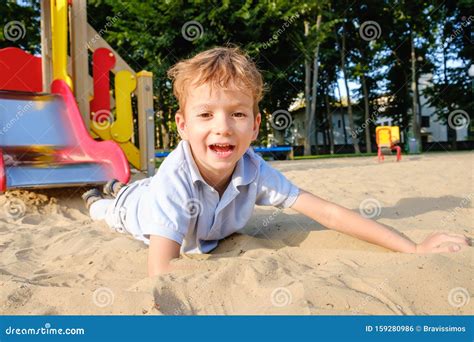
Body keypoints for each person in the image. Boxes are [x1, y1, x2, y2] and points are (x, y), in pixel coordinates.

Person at [83, 46, 470, 277]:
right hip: (138, 208)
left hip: (159, 196)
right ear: (182, 125)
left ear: (255, 125)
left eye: (237, 114)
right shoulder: (174, 181)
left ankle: (118, 187)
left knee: (134, 190)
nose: (223, 128)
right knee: (109, 209)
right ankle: (103, 195)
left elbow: (330, 213)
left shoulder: (254, 169)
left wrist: (413, 248)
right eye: (205, 115)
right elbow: (162, 271)